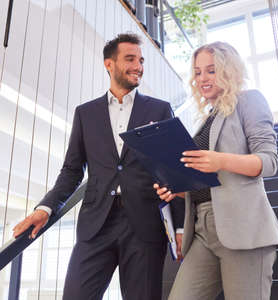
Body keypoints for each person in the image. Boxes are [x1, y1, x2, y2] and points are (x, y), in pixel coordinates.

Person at [13, 33, 184, 300]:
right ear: (109, 64)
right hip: (96, 224)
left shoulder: (160, 110)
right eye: (130, 59)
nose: (138, 66)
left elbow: (174, 171)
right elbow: (71, 170)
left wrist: (181, 227)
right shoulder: (85, 113)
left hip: (145, 224)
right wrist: (45, 208)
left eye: (141, 60)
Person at [154, 41, 278, 300]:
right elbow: (207, 185)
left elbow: (268, 161)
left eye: (211, 70)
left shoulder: (249, 101)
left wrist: (221, 160)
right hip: (202, 230)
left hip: (244, 229)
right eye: (199, 72)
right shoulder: (206, 119)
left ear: (229, 70)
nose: (203, 78)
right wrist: (177, 190)